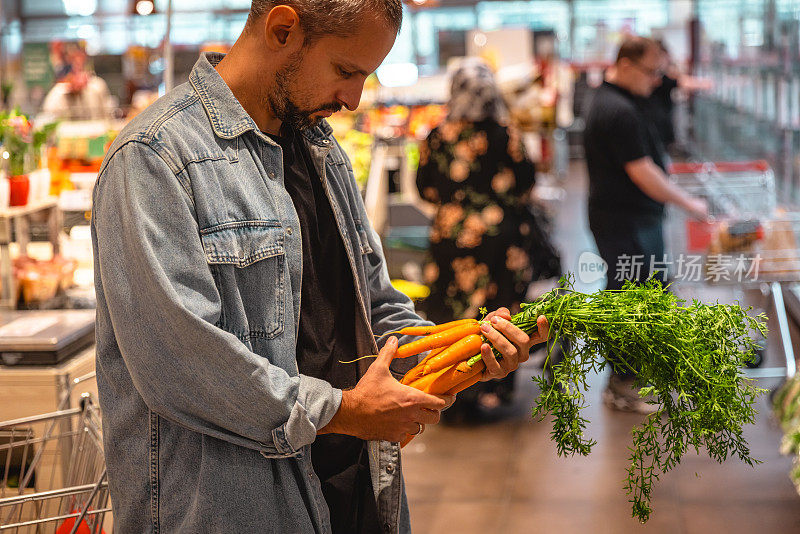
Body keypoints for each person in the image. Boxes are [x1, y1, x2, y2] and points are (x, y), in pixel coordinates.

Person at [91, 2, 548, 533]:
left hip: (355, 492)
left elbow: (374, 303)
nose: (353, 100)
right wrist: (343, 413)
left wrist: (460, 354)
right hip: (233, 509)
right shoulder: (155, 157)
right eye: (346, 71)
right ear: (283, 29)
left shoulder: (320, 149)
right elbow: (182, 364)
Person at [583, 36, 707, 413]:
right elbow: (643, 172)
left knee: (645, 294)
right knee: (631, 299)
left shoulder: (623, 98)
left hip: (631, 217)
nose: (657, 80)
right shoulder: (616, 110)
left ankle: (633, 377)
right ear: (624, 65)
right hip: (624, 220)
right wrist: (689, 203)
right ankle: (623, 383)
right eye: (652, 72)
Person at [415, 58, 540, 420]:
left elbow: (425, 188)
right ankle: (494, 389)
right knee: (500, 314)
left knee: (450, 315)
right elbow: (527, 182)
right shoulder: (508, 133)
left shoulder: (437, 136)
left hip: (451, 239)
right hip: (502, 241)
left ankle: (450, 390)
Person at [40, 42, 113, 122]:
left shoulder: (97, 85)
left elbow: (108, 113)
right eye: (72, 59)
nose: (77, 62)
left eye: (79, 56)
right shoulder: (58, 92)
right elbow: (48, 115)